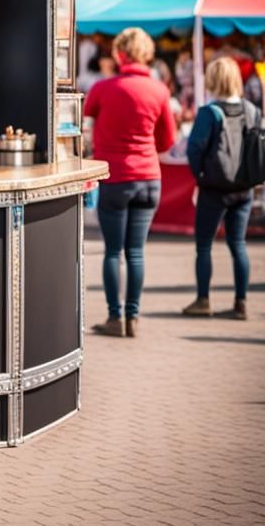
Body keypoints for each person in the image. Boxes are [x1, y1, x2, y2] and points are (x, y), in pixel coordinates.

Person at [83, 27, 176, 338]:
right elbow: (167, 140)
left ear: (119, 53)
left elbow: (85, 114)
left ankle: (114, 318)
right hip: (149, 177)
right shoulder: (159, 90)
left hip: (116, 176)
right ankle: (133, 317)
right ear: (147, 53)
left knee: (113, 252)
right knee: (136, 252)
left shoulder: (103, 88)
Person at [183, 56, 258, 320]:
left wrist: (200, 176)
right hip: (243, 187)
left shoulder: (209, 113)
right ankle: (241, 303)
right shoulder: (252, 110)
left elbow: (193, 149)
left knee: (204, 245)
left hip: (214, 187)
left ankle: (203, 300)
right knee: (238, 244)